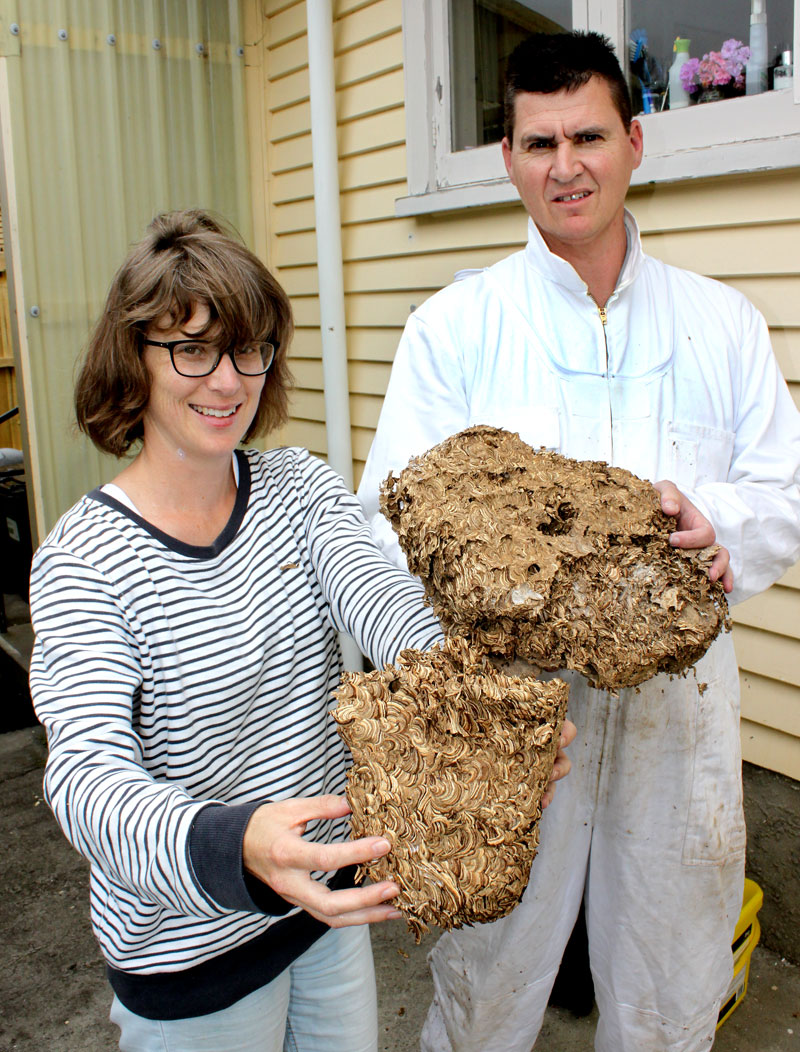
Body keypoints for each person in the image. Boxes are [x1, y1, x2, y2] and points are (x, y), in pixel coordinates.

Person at [29, 210, 576, 1052]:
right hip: (189, 960)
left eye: (249, 350)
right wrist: (236, 842)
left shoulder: (295, 488)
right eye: (192, 349)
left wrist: (484, 709)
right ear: (132, 360)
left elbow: (380, 600)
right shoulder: (84, 561)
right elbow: (87, 776)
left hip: (326, 914)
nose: (227, 381)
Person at [358, 31, 800, 1052]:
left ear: (634, 142)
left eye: (588, 135)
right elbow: (388, 524)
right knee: (486, 981)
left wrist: (716, 526)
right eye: (539, 140)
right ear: (508, 155)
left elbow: (783, 488)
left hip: (676, 711)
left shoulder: (718, 323)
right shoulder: (453, 328)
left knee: (669, 977)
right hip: (512, 718)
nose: (566, 165)